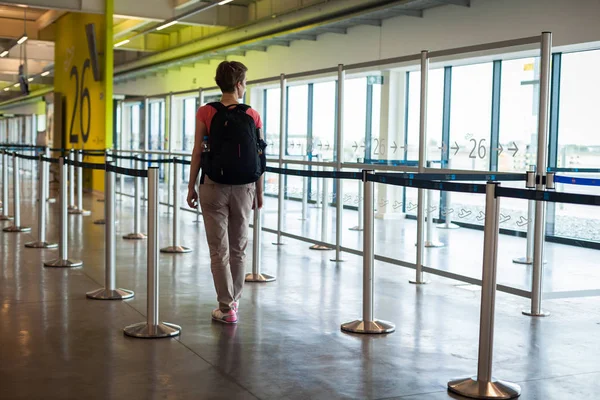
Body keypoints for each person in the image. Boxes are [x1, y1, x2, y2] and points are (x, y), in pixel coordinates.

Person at [187, 61, 266, 324]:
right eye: (244, 82)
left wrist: (191, 186)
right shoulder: (253, 114)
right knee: (238, 249)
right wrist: (259, 192)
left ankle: (226, 307)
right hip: (244, 189)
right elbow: (259, 156)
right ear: (238, 84)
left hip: (212, 186)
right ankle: (236, 301)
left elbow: (198, 151)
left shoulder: (205, 112)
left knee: (217, 249)